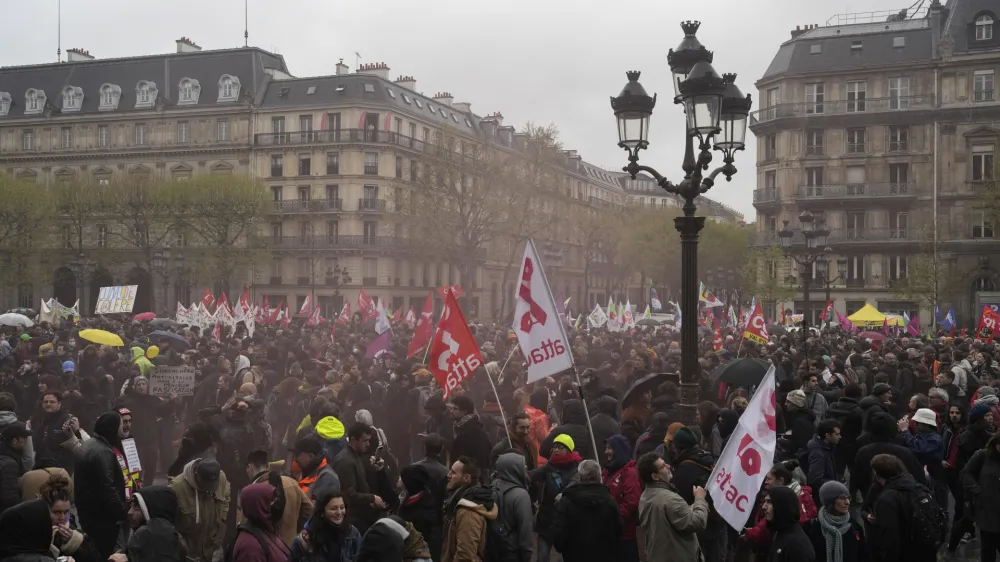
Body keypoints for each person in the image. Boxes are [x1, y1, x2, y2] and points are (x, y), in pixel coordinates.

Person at [636, 452, 708, 562]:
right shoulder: (670, 499)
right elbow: (697, 522)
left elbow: (678, 516)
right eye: (663, 466)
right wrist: (700, 499)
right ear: (655, 476)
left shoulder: (645, 496)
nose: (668, 466)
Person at [668, 427, 726, 562]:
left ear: (679, 447)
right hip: (715, 522)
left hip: (698, 529)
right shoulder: (707, 459)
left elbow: (679, 501)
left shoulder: (685, 468)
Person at [74, 410, 127, 558]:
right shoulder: (103, 451)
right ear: (113, 428)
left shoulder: (89, 444)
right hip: (102, 518)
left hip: (88, 514)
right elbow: (107, 487)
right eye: (120, 425)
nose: (123, 429)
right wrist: (123, 512)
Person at [868, 453, 939, 562]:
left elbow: (890, 538)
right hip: (927, 551)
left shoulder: (887, 498)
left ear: (877, 473)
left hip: (906, 554)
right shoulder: (919, 488)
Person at [551, 459, 622, 562]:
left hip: (574, 556)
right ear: (599, 477)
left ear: (580, 477)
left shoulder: (566, 502)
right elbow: (619, 529)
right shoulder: (610, 501)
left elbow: (559, 536)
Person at [851, 412, 927, 502]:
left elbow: (856, 477)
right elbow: (919, 477)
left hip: (873, 499)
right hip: (902, 500)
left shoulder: (863, 452)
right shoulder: (905, 452)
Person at [245, 449, 312, 546]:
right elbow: (309, 510)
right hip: (290, 547)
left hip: (265, 550)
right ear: (268, 466)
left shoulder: (251, 493)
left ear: (249, 467)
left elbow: (246, 526)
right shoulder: (291, 483)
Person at [530, 434, 580, 562]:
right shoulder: (548, 467)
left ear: (569, 450)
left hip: (566, 522)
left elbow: (575, 487)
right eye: (555, 447)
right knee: (542, 557)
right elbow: (530, 477)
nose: (556, 450)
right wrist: (518, 471)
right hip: (546, 520)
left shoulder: (577, 470)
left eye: (560, 447)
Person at [169, 458, 231, 562]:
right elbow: (167, 519)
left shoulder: (221, 477)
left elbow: (226, 498)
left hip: (214, 548)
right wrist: (179, 539)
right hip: (190, 553)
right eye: (205, 484)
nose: (208, 489)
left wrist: (222, 520)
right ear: (196, 474)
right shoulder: (177, 488)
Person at [331, 422, 385, 534]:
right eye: (365, 441)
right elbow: (349, 495)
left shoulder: (355, 456)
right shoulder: (345, 461)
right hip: (353, 520)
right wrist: (372, 498)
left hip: (360, 516)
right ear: (353, 440)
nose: (368, 444)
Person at [441, 456, 497, 562]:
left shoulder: (468, 511)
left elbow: (465, 557)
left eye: (453, 473)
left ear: (466, 478)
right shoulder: (457, 502)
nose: (448, 475)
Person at [118, 485, 185, 562]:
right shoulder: (172, 539)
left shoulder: (149, 536)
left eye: (137, 507)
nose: (130, 512)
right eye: (131, 506)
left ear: (153, 510)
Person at [290, 491, 362, 562]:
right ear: (322, 512)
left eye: (342, 507)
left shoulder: (352, 533)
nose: (339, 512)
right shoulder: (305, 540)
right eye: (333, 509)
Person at [961, 432, 1000, 562]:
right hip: (987, 511)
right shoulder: (982, 456)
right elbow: (966, 473)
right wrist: (977, 490)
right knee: (988, 550)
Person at [603, 435, 641, 562]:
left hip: (625, 535)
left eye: (609, 448)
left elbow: (632, 503)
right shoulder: (606, 471)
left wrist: (612, 515)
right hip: (608, 533)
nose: (606, 452)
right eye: (606, 448)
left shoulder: (630, 473)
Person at [230, 483, 292, 562]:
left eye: (275, 498)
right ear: (258, 505)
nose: (276, 502)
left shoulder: (267, 530)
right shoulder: (250, 547)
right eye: (272, 500)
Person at [490, 452, 534, 562]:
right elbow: (525, 529)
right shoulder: (521, 495)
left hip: (493, 548)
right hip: (512, 552)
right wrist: (527, 554)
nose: (526, 469)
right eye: (523, 466)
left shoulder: (492, 486)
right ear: (514, 469)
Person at [764, 486, 815, 562]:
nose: (764, 507)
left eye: (769, 502)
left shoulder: (797, 545)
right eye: (765, 501)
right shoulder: (778, 532)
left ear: (783, 505)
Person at [449, 396, 493, 477]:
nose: (451, 411)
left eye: (455, 409)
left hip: (469, 477)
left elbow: (481, 459)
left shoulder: (474, 431)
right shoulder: (458, 427)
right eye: (451, 408)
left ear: (464, 411)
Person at [293, 438, 340, 502]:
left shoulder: (327, 478)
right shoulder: (306, 471)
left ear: (310, 456)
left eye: (297, 455)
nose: (295, 459)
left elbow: (317, 507)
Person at [805, 419, 840, 500]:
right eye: (837, 434)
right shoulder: (818, 454)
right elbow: (815, 480)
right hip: (822, 497)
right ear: (827, 436)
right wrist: (834, 486)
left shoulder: (828, 448)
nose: (839, 437)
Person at [0, 421, 30, 511]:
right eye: (23, 438)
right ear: (14, 441)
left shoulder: (6, 455)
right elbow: (9, 496)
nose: (25, 440)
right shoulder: (9, 464)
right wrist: (23, 509)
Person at [785, 390, 816, 457]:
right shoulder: (804, 417)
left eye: (788, 402)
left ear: (796, 404)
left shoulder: (800, 422)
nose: (785, 404)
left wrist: (786, 443)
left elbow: (800, 444)